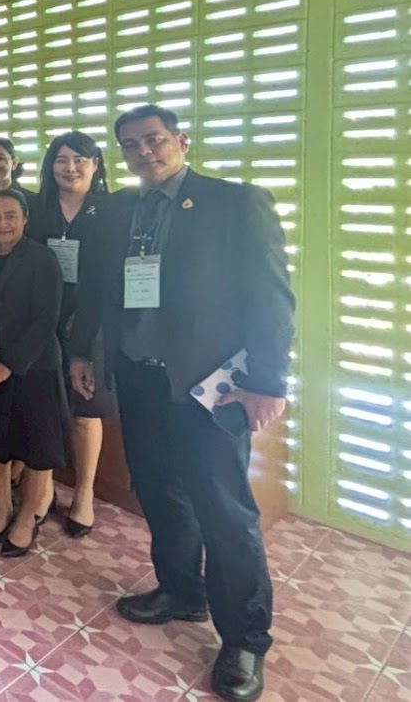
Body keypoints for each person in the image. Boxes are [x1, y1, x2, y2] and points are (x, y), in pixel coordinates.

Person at [69, 105, 294, 702]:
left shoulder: (234, 203)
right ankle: (180, 590)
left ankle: (245, 638)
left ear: (181, 140)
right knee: (158, 490)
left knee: (224, 508)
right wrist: (82, 352)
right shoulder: (119, 210)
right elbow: (95, 288)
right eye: (131, 145)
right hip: (138, 377)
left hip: (207, 385)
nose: (144, 152)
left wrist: (268, 383)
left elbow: (271, 296)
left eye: (154, 140)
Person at [0, 188, 68, 559]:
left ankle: (26, 518)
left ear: (25, 219)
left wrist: (9, 365)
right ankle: (4, 509)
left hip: (32, 368)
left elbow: (46, 321)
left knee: (35, 449)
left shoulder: (42, 258)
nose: (2, 223)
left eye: (10, 216)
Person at [31, 131, 112, 537]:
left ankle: (83, 493)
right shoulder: (36, 208)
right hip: (43, 319)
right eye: (62, 160)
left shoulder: (110, 210)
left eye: (80, 160)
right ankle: (43, 488)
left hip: (92, 322)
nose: (71, 168)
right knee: (43, 403)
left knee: (85, 408)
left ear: (95, 165)